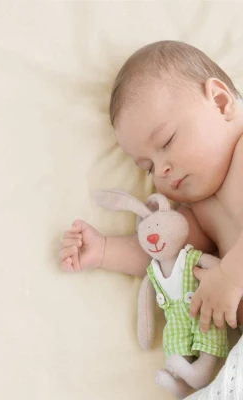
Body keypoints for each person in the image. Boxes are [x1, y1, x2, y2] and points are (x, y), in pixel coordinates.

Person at [58, 40, 243, 337]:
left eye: (167, 141)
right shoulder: (200, 212)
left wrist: (231, 276)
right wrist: (105, 250)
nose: (161, 171)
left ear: (221, 102)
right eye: (148, 167)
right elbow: (162, 250)